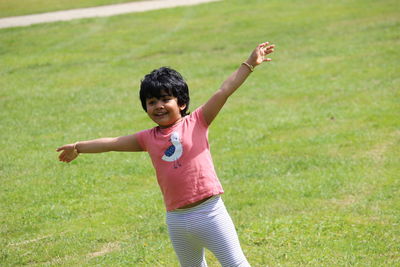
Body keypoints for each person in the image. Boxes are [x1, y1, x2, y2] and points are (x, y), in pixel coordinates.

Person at [57, 41, 275, 267]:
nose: (158, 106)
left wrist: (249, 63)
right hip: (176, 219)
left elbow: (224, 90)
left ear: (181, 103)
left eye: (165, 99)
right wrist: (78, 146)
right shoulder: (146, 138)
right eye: (151, 102)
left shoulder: (198, 121)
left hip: (210, 213)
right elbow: (112, 143)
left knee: (235, 264)